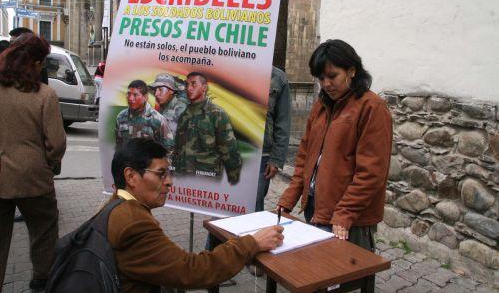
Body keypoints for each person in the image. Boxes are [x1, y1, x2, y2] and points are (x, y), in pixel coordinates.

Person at [108, 138, 284, 292]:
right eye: (161, 174)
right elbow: (194, 271)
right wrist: (253, 242)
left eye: (168, 173)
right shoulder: (133, 225)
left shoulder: (116, 205)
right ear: (131, 177)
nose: (169, 182)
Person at [277, 39, 392, 252]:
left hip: (350, 220)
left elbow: (371, 172)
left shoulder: (372, 108)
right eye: (321, 78)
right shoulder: (321, 105)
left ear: (352, 71)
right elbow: (305, 156)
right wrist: (290, 196)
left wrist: (345, 213)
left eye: (332, 76)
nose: (326, 84)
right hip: (316, 207)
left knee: (345, 278)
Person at [0, 33, 67, 292]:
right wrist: (49, 160)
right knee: (44, 230)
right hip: (33, 177)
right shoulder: (45, 95)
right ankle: (42, 281)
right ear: (35, 64)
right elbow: (57, 143)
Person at [173, 72, 242, 184]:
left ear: (204, 88)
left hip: (206, 180)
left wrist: (233, 178)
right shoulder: (184, 115)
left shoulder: (216, 114)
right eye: (187, 85)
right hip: (182, 179)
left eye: (194, 84)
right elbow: (178, 149)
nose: (189, 88)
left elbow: (229, 149)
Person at [255, 66, 291, 212]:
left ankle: (255, 236)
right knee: (220, 213)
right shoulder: (227, 66)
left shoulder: (277, 77)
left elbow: (283, 122)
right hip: (225, 153)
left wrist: (276, 159)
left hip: (260, 157)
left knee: (253, 209)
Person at [115, 80, 173, 154]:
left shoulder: (157, 119)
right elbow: (119, 145)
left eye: (135, 95)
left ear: (145, 97)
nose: (130, 98)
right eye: (129, 94)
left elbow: (168, 148)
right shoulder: (121, 117)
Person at [148, 73, 188, 137]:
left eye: (160, 89)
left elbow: (165, 137)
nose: (156, 94)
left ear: (171, 91)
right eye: (155, 90)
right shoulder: (165, 105)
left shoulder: (179, 107)